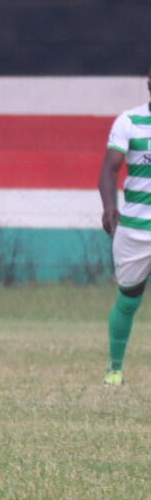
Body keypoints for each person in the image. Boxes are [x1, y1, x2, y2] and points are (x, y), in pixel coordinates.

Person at [98, 65, 151, 385]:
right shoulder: (129, 122)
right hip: (135, 228)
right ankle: (114, 370)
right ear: (149, 84)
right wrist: (108, 206)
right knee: (129, 298)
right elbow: (110, 167)